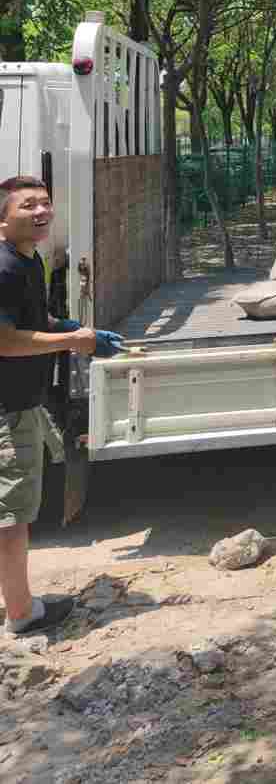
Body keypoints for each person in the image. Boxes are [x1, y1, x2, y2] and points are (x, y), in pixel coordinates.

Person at [0, 175, 123, 637]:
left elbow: (32, 319)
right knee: (12, 515)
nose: (41, 212)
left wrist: (71, 329)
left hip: (21, 401)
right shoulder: (3, 267)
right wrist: (73, 340)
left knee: (14, 509)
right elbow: (5, 341)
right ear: (2, 220)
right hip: (6, 408)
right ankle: (21, 613)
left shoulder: (28, 259)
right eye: (28, 205)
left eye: (45, 202)